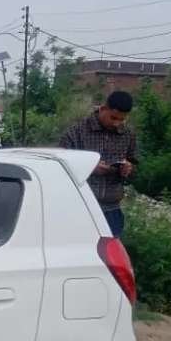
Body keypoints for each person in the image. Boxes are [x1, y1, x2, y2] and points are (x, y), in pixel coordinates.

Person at [59, 91, 138, 237]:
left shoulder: (128, 135)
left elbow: (135, 167)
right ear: (103, 109)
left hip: (112, 210)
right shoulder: (76, 131)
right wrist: (88, 168)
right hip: (79, 208)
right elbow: (60, 167)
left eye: (122, 120)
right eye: (113, 118)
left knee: (108, 257)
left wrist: (128, 169)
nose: (117, 123)